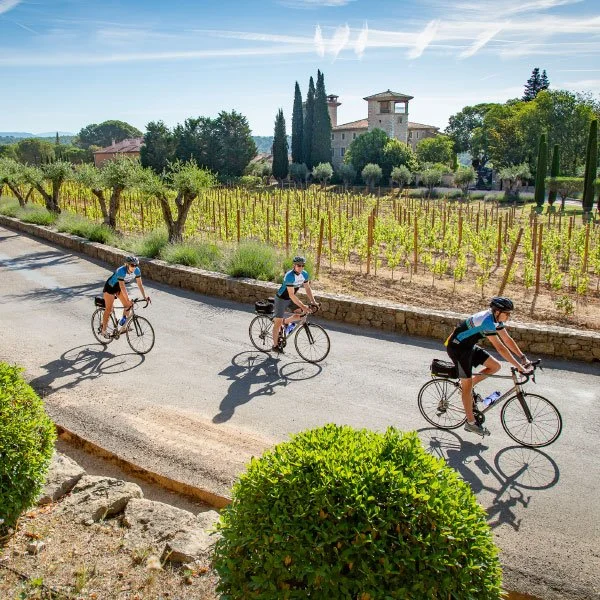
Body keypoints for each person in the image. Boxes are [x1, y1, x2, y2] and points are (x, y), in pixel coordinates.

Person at [445, 296, 531, 436]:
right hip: (457, 349)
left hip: (469, 346)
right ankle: (470, 422)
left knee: (495, 366)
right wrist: (520, 367)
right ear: (497, 311)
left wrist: (523, 358)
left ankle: (467, 385)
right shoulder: (487, 322)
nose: (509, 316)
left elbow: (507, 340)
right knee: (467, 387)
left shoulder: (495, 320)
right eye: (507, 313)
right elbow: (501, 348)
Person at [271, 256, 318, 353]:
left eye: (302, 265)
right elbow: (291, 295)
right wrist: (303, 306)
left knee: (301, 314)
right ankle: (275, 346)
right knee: (278, 323)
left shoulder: (304, 274)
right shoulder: (289, 276)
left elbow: (308, 288)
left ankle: (286, 321)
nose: (300, 267)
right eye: (298, 265)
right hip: (281, 299)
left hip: (290, 299)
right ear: (294, 265)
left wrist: (313, 302)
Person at [100, 255, 150, 339]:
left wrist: (145, 296)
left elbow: (140, 284)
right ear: (127, 264)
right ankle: (103, 330)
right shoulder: (121, 271)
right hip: (110, 288)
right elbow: (123, 287)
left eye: (136, 265)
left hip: (118, 288)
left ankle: (122, 326)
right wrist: (128, 299)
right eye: (132, 265)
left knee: (128, 306)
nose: (134, 267)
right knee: (109, 309)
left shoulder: (137, 271)